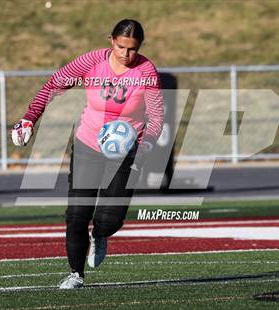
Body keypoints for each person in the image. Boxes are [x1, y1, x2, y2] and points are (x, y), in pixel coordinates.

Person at [11, 19, 164, 289]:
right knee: (77, 213)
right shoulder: (92, 62)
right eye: (120, 46)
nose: (126, 54)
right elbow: (52, 86)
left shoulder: (146, 70)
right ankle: (75, 274)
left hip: (126, 152)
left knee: (110, 219)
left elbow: (156, 116)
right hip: (87, 145)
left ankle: (101, 234)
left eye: (132, 49)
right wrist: (29, 118)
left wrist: (147, 146)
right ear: (111, 40)